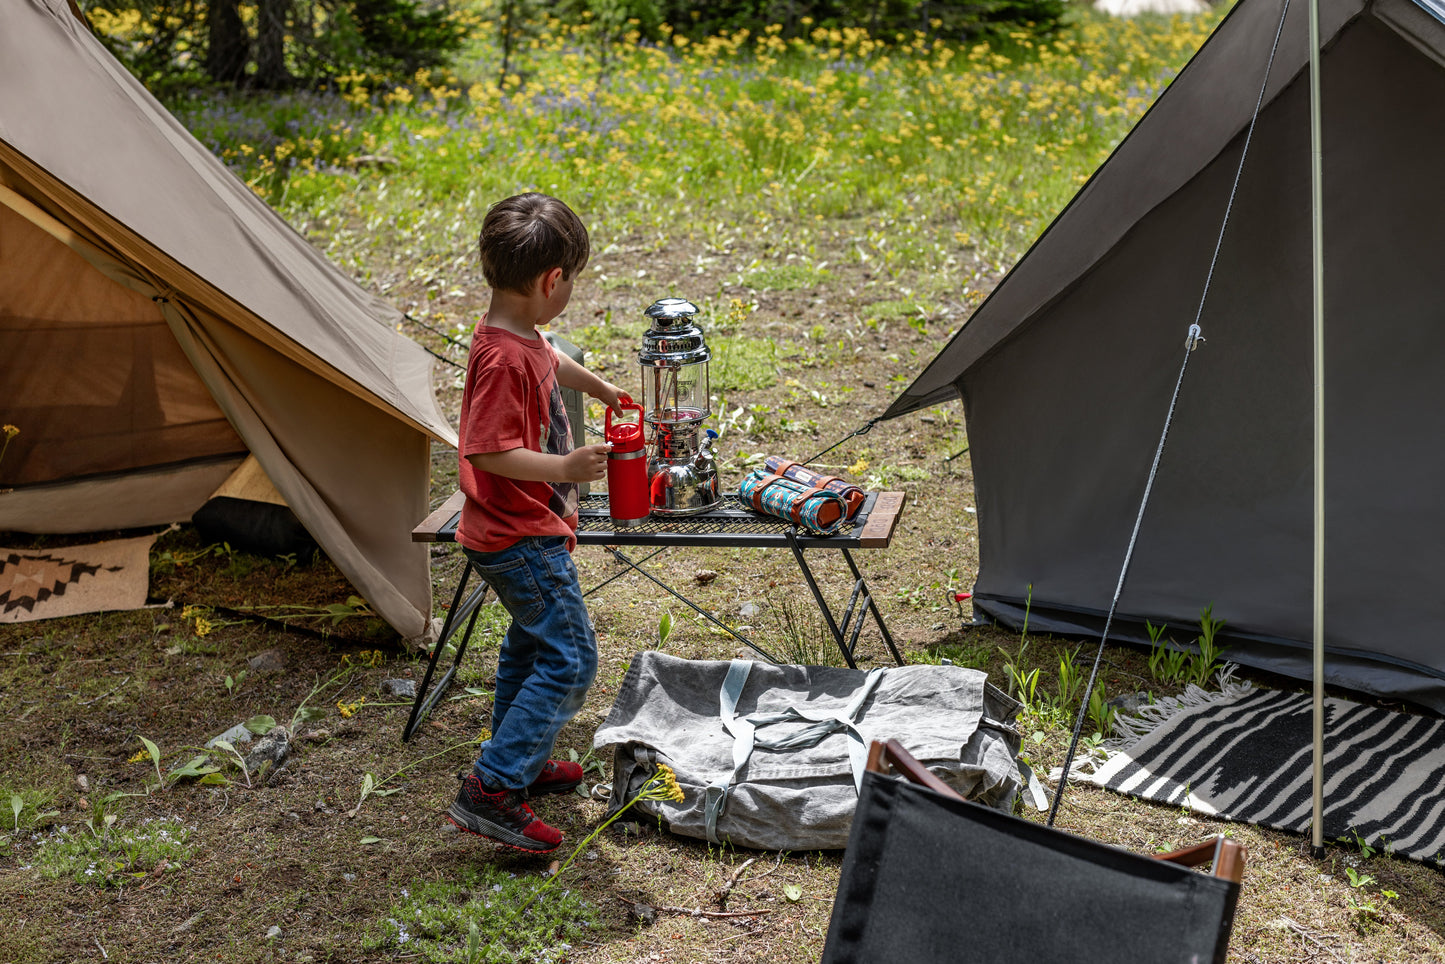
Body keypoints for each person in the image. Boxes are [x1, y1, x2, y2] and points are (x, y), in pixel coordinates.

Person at [447, 192, 625, 853]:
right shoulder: (502, 358)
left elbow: (552, 357)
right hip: (518, 537)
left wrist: (601, 388)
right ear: (553, 281)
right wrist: (564, 468)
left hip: (514, 533)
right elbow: (486, 448)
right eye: (572, 278)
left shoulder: (521, 335)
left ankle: (520, 760)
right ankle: (491, 788)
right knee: (571, 659)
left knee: (528, 649)